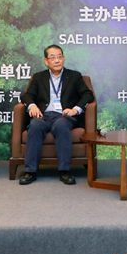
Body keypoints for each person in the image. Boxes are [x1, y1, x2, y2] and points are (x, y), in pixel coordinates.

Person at [19, 45, 94, 185]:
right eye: (52, 58)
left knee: (61, 125)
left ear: (63, 58)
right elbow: (27, 95)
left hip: (64, 116)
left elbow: (88, 94)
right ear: (46, 61)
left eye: (59, 57)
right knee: (34, 126)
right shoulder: (38, 77)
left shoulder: (74, 76)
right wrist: (32, 105)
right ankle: (30, 171)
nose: (57, 60)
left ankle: (64, 171)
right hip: (44, 115)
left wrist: (75, 109)